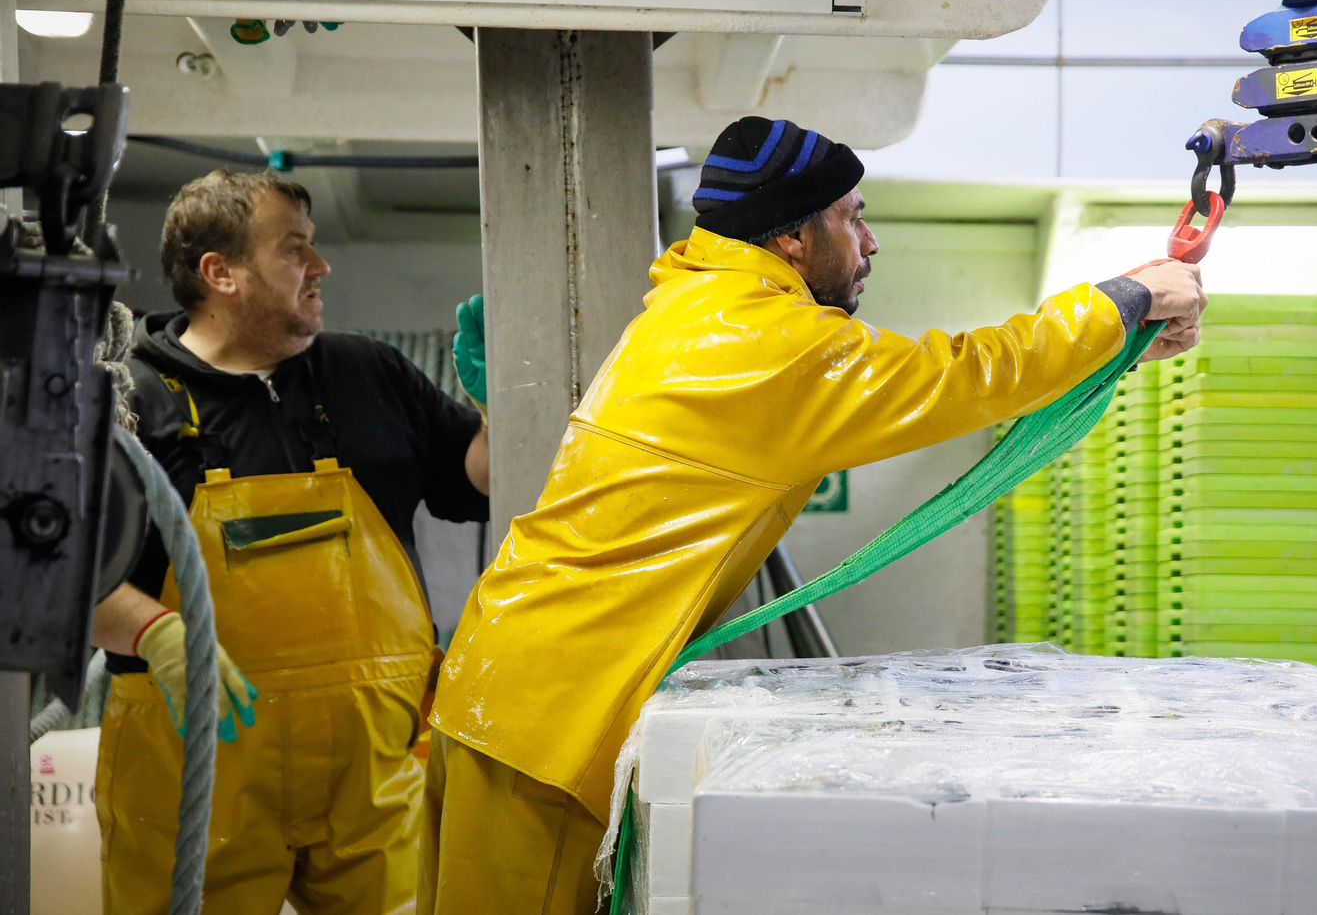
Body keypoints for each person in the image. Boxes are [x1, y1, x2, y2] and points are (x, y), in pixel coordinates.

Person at [421, 117, 1206, 915]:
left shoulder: (700, 306)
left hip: (511, 692)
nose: (869, 242)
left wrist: (1115, 347)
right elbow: (959, 377)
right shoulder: (771, 341)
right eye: (852, 217)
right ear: (795, 237)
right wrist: (1125, 300)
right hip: (549, 718)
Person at [91, 169, 490, 914]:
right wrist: (155, 634)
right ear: (221, 273)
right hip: (195, 774)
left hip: (371, 778)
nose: (320, 267)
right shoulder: (125, 400)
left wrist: (504, 408)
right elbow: (53, 577)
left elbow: (476, 479)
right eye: (294, 249)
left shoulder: (368, 371)